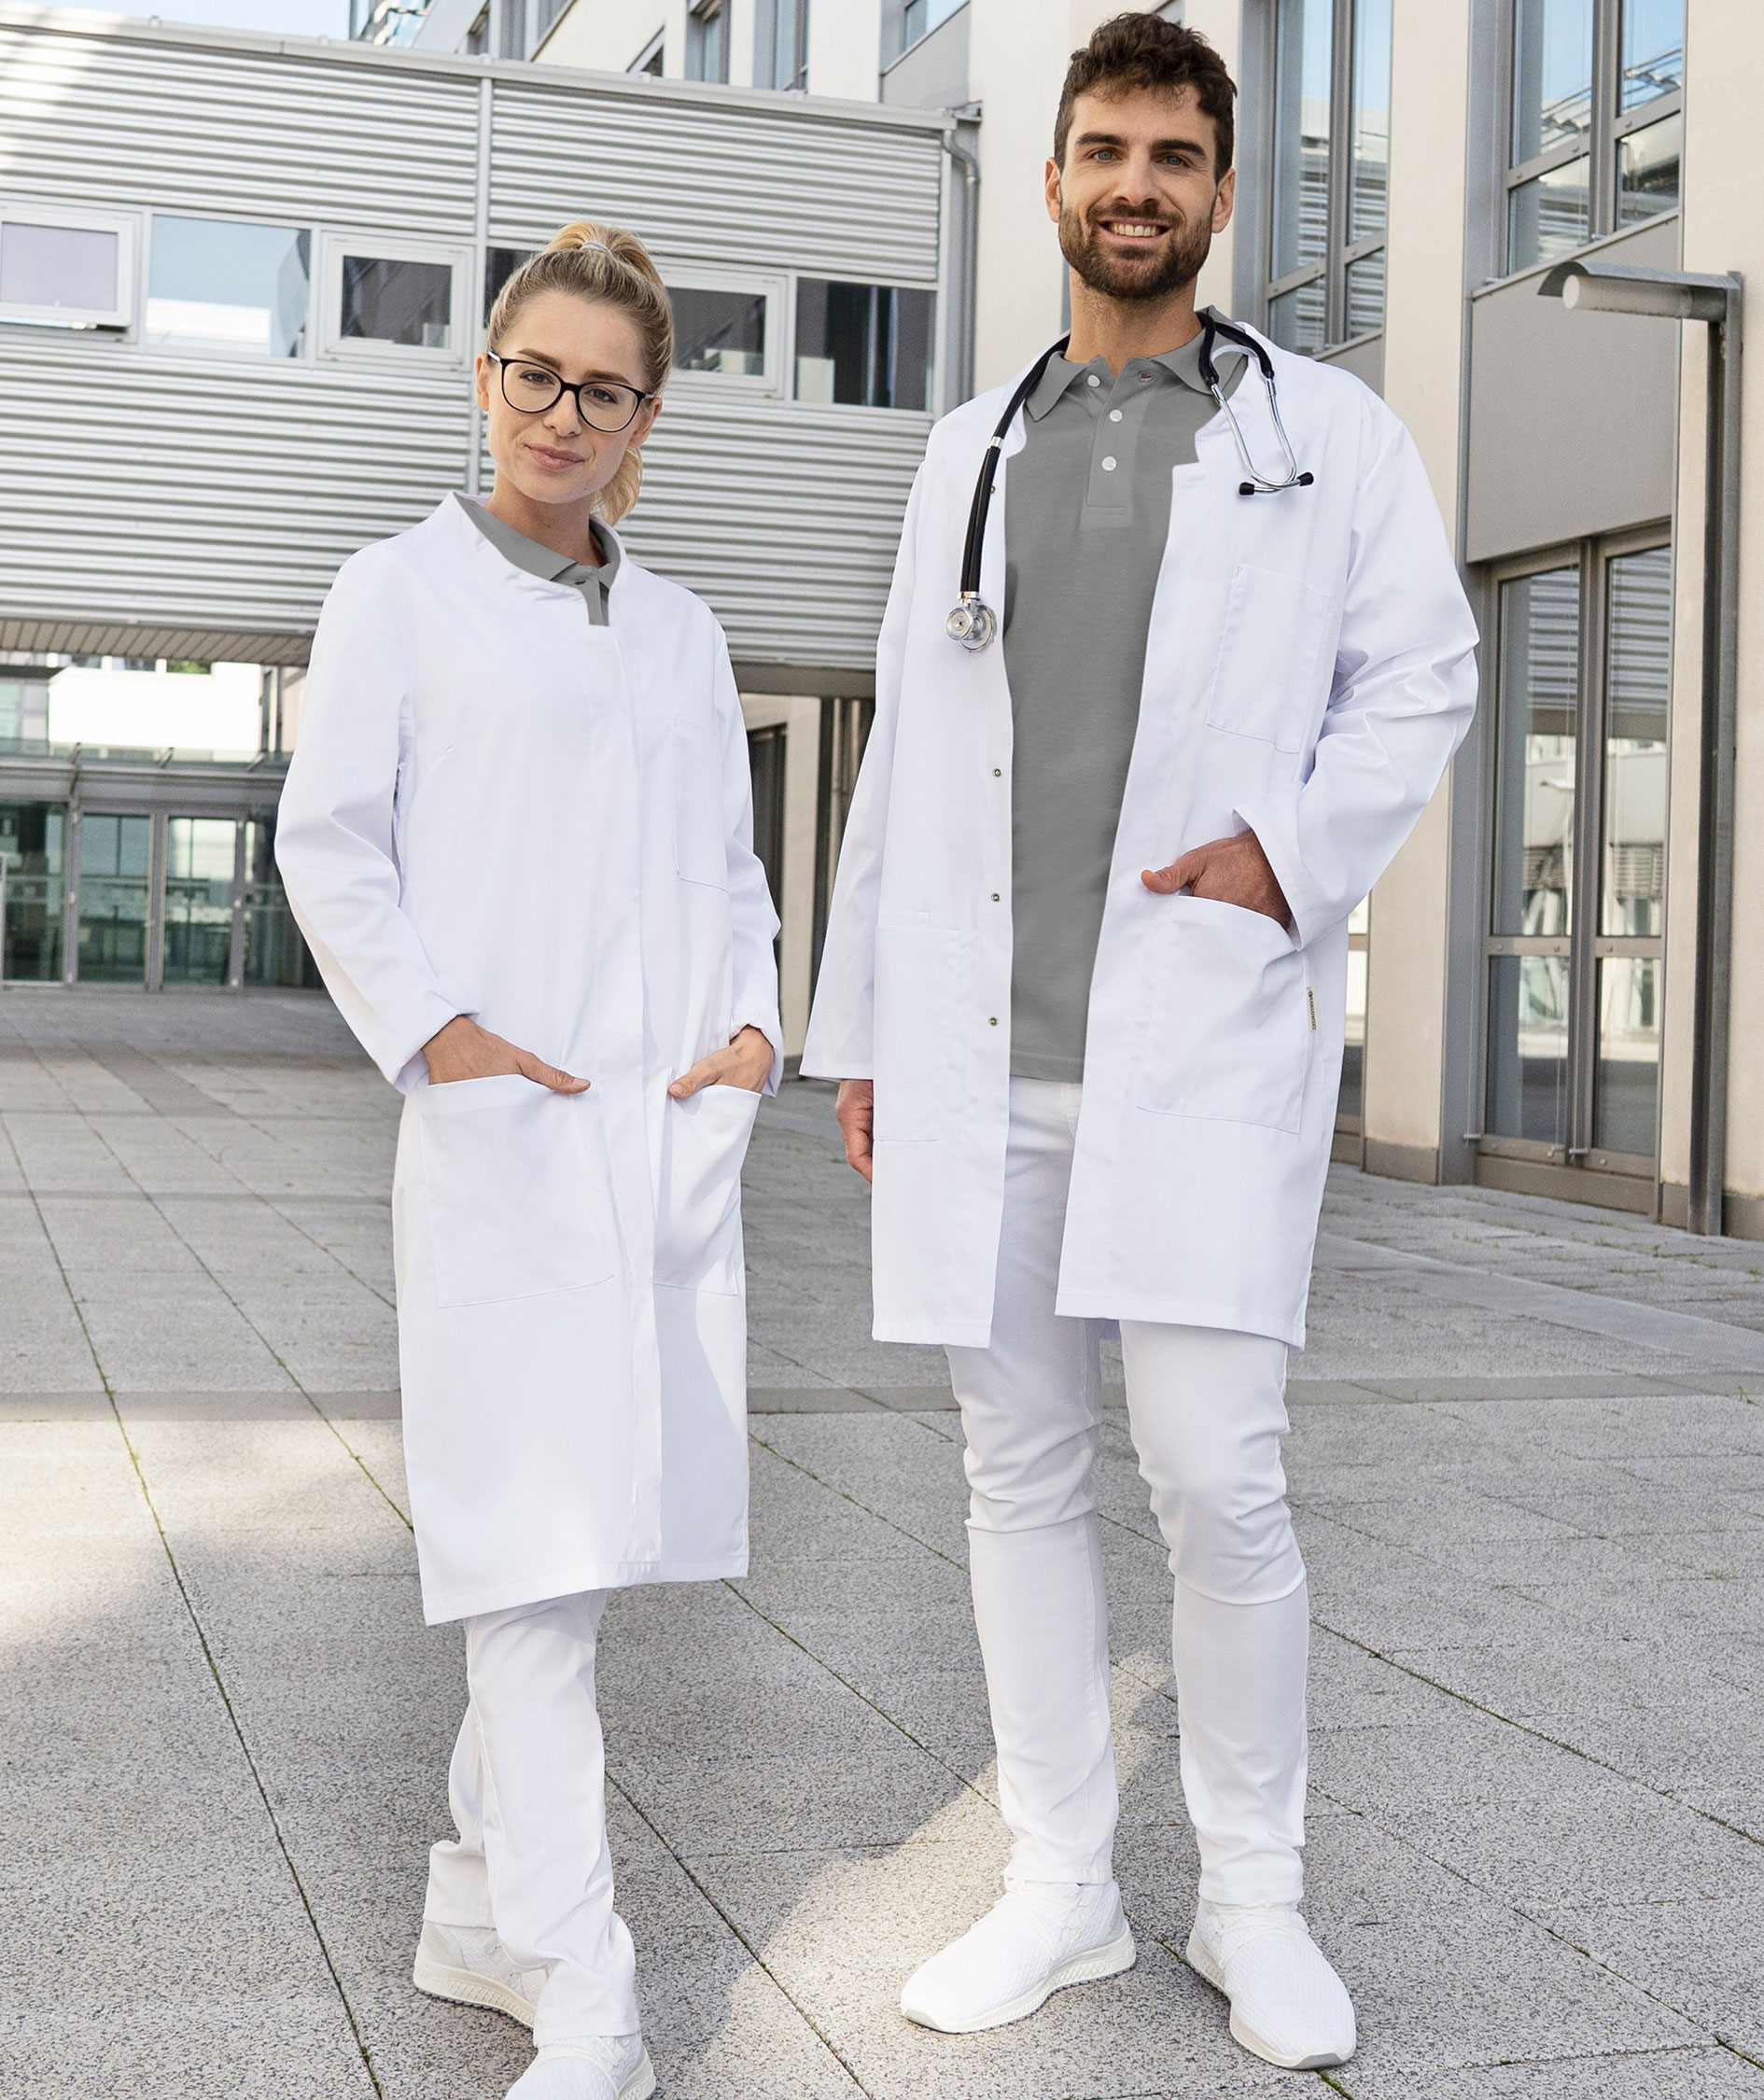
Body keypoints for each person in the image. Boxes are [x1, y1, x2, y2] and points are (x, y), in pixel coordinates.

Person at [802, 14, 1477, 2075]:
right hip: (982, 1043)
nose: (1136, 183)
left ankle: (1252, 1903)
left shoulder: (1327, 435)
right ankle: (1060, 1888)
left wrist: (1281, 858)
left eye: (1175, 155)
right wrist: (864, 1032)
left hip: (1191, 1039)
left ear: (1220, 188)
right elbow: (911, 750)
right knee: (1015, 1475)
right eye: (1105, 148)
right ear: (1054, 180)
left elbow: (1424, 681)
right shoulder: (971, 451)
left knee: (1218, 1481)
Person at [275, 221, 780, 2100]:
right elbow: (332, 845)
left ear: (650, 415)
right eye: (538, 375)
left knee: (578, 1559)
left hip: (661, 1156)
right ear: (484, 379)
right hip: (506, 1149)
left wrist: (752, 1036)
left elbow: (731, 871)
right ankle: (591, 1994)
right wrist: (445, 1038)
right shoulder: (395, 593)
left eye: (608, 388)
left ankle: (476, 1902)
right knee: (531, 1580)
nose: (567, 414)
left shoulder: (680, 629)